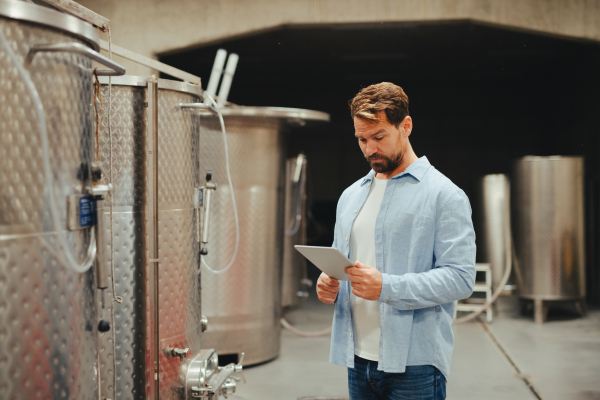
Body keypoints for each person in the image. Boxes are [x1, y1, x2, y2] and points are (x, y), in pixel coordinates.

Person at [316, 82, 476, 400]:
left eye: (379, 137)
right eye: (362, 139)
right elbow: (344, 264)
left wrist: (387, 287)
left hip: (414, 364)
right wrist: (329, 283)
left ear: (405, 126)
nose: (369, 149)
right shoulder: (351, 196)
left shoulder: (444, 195)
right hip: (357, 358)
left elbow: (461, 279)